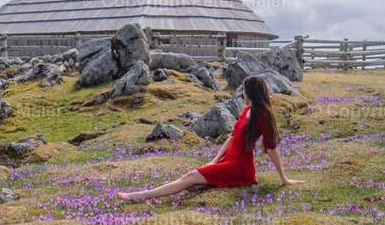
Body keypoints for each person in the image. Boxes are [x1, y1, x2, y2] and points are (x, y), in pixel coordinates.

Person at [117, 74, 305, 202]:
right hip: (228, 161)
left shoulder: (263, 114)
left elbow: (271, 148)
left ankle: (141, 195)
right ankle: (208, 182)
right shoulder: (247, 110)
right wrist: (214, 160)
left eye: (245, 89)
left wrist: (284, 178)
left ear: (252, 91)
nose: (242, 92)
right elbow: (231, 138)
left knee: (189, 177)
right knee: (190, 185)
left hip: (239, 167)